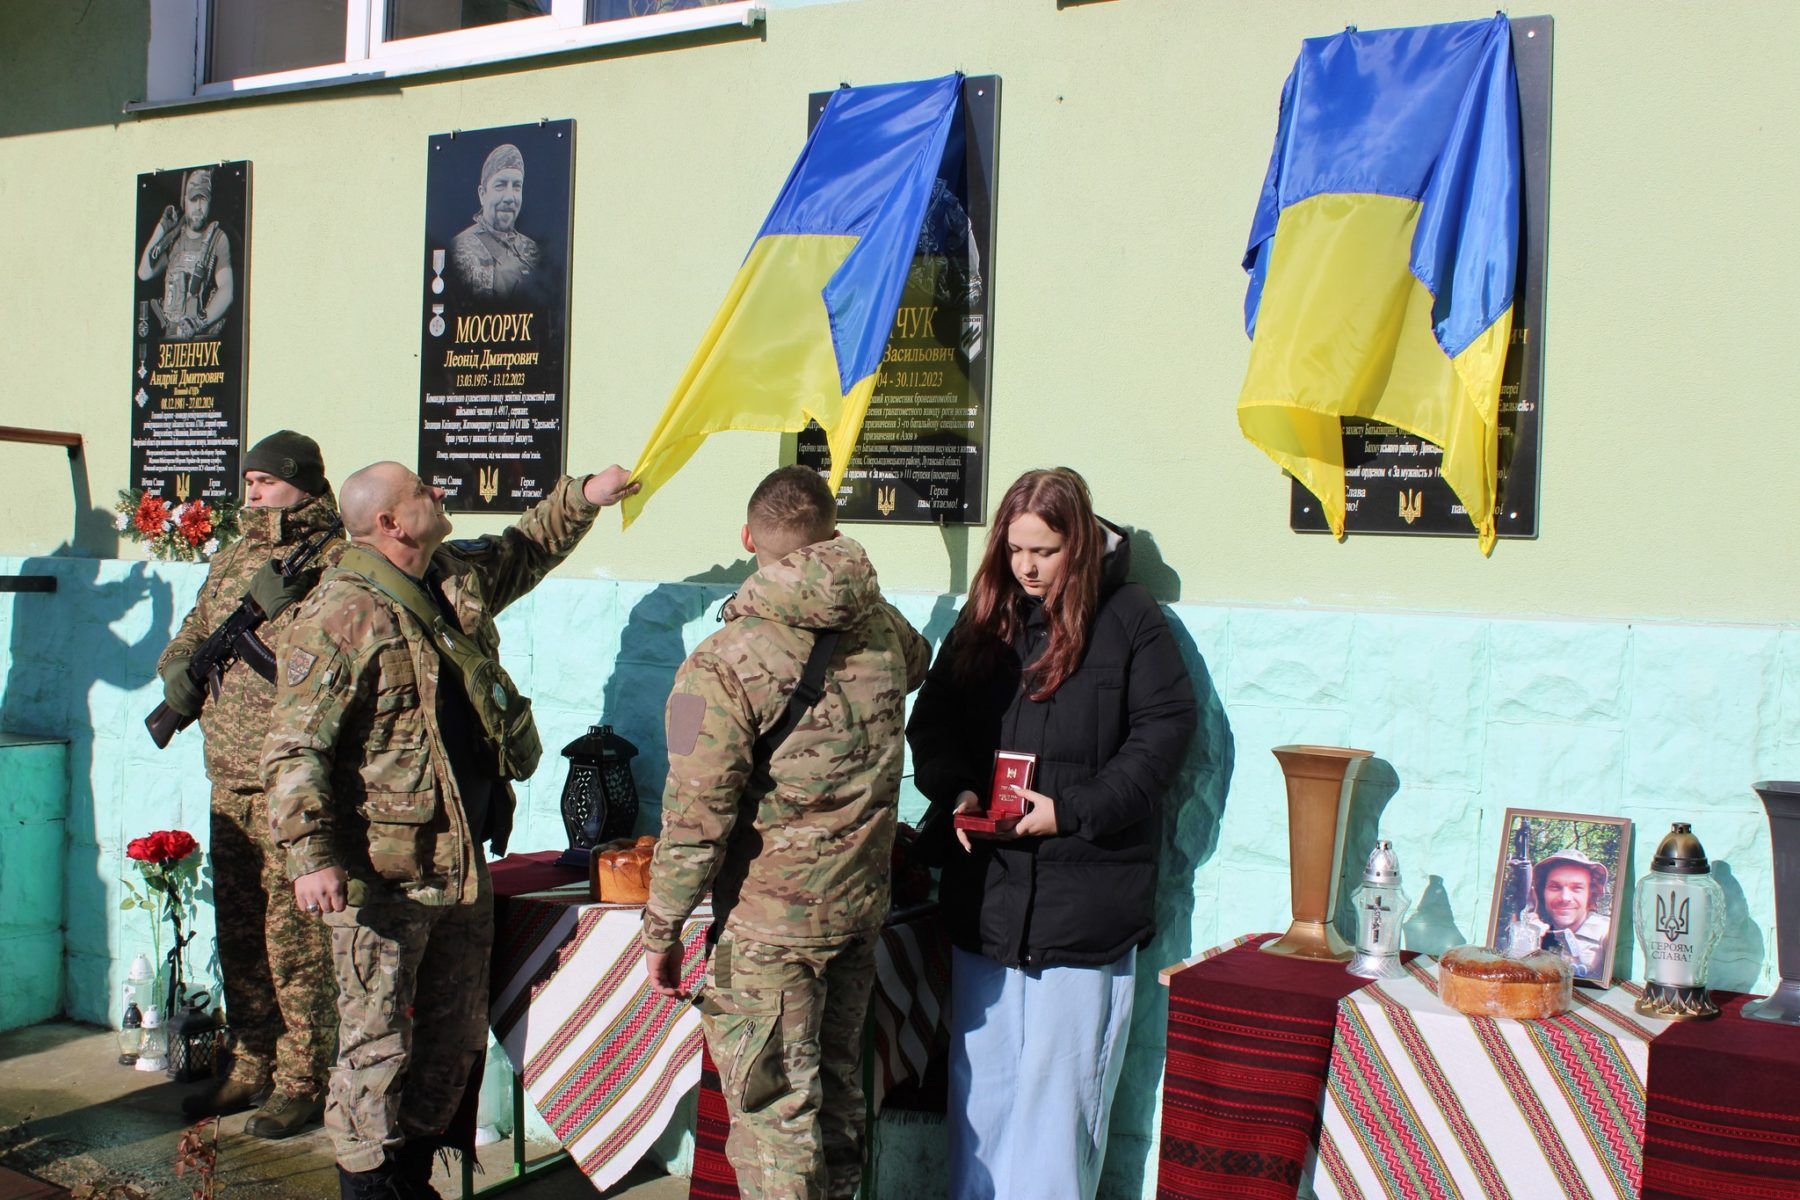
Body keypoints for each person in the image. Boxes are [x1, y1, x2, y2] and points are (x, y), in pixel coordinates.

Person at [262, 460, 638, 1199]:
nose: (438, 491)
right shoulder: (341, 614)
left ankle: (410, 1178)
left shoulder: (450, 575)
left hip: (459, 862)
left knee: (454, 1039)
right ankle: (369, 1189)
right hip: (383, 875)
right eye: (420, 491)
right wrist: (312, 854)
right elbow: (294, 747)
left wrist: (585, 497)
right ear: (389, 523)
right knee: (376, 1046)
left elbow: (524, 549)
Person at [906, 467, 1196, 1200]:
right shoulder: (986, 616)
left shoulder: (1130, 617)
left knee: (1062, 1100)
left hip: (1085, 902)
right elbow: (932, 718)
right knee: (983, 1090)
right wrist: (957, 788)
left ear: (1082, 544)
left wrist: (1072, 810)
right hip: (989, 897)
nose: (1028, 568)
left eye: (1045, 551)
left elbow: (1162, 735)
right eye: (1015, 550)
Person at [641, 465, 929, 1199]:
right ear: (831, 535)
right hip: (858, 910)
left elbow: (694, 816)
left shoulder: (721, 663)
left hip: (770, 931)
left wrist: (662, 928)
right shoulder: (883, 627)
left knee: (775, 1119)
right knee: (837, 1101)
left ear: (748, 539)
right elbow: (920, 662)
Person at [157, 430, 345, 1137]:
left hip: (290, 784)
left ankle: (303, 1078)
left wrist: (268, 616)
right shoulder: (237, 554)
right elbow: (195, 628)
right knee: (240, 938)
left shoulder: (332, 559)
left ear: (302, 482)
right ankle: (251, 1061)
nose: (254, 492)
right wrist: (176, 670)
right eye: (250, 481)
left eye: (267, 481)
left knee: (297, 945)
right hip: (229, 778)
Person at [138, 166, 233, 340]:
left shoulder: (217, 239)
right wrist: (161, 229)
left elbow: (227, 289)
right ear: (185, 201)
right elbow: (144, 273)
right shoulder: (174, 241)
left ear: (210, 202)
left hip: (200, 340)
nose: (198, 207)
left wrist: (197, 322)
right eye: (193, 199)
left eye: (203, 199)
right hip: (170, 342)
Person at [449, 143, 542, 304]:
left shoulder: (533, 251)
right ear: (482, 194)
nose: (510, 197)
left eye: (517, 186)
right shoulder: (457, 250)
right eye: (500, 185)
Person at [1532, 849, 1611, 978]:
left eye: (1577, 888)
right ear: (1542, 892)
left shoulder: (1606, 933)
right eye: (1555, 887)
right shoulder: (1534, 929)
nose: (1565, 898)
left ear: (1590, 894)